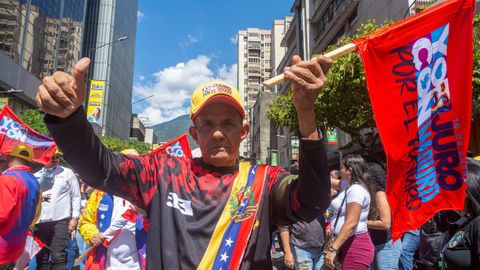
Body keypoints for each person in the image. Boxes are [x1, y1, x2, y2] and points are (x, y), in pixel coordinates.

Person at [36, 55, 332, 269]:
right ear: (194, 133)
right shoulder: (162, 171)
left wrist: (306, 112)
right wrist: (69, 120)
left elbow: (312, 202)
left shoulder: (264, 180)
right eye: (208, 124)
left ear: (242, 132)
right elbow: (101, 169)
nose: (217, 133)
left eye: (228, 123)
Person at [79, 148, 146, 270]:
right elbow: (86, 221)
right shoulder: (100, 194)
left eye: (136, 165)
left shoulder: (147, 195)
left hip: (138, 264)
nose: (131, 170)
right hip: (104, 263)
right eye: (128, 164)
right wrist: (92, 234)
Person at [324, 154, 376, 270]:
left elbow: (351, 223)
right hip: (348, 244)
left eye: (342, 168)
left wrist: (333, 249)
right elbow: (330, 181)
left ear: (349, 170)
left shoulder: (356, 190)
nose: (340, 171)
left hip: (356, 246)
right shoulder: (349, 186)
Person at [33, 149, 81, 270]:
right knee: (41, 256)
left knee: (58, 256)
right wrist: (40, 197)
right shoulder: (36, 175)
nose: (55, 160)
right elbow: (30, 198)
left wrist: (75, 217)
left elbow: (76, 196)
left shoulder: (67, 173)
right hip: (40, 222)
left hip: (60, 220)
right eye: (52, 157)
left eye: (57, 157)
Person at [0, 146, 41, 269]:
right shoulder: (34, 181)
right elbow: (35, 214)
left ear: (8, 157)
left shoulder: (7, 179)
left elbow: (2, 214)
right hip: (16, 246)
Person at [440, 157, 480, 269]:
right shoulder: (462, 223)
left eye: (451, 186)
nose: (446, 190)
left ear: (466, 192)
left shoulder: (478, 223)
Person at [366, 163, 402, 270]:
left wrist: (361, 222)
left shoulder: (379, 194)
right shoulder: (372, 194)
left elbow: (385, 223)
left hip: (386, 245)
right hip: (376, 244)